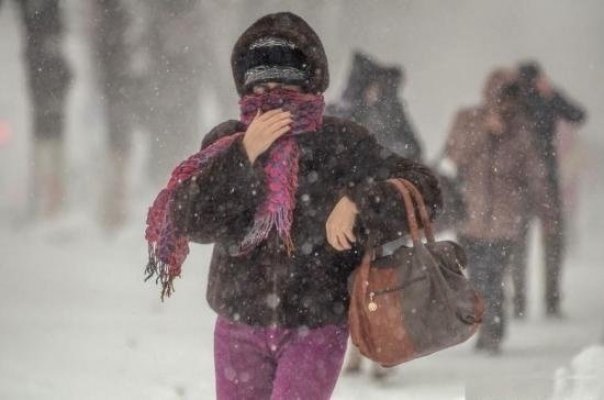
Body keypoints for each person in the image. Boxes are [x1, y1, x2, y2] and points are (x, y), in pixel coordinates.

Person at [144, 12, 441, 399]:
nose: (269, 98)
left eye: (282, 87)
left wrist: (359, 203)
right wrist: (244, 155)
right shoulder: (227, 141)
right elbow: (192, 219)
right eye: (260, 87)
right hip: (238, 326)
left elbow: (427, 190)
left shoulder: (342, 142)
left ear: (307, 86)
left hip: (316, 326)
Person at [443, 69, 553, 354]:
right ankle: (488, 326)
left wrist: (546, 212)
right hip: (470, 216)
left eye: (510, 97)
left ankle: (491, 330)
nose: (505, 104)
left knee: (492, 276)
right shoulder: (467, 119)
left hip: (506, 219)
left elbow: (535, 173)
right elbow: (453, 156)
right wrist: (484, 131)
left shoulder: (522, 129)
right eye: (501, 96)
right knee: (478, 277)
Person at [510, 62, 587, 318]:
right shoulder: (540, 99)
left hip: (526, 183)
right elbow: (578, 115)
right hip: (537, 181)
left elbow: (578, 116)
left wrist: (551, 95)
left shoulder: (525, 99)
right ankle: (546, 301)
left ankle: (524, 302)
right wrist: (552, 94)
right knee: (547, 242)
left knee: (521, 245)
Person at [328, 51, 423, 161]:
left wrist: (385, 153)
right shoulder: (342, 110)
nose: (373, 93)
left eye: (379, 89)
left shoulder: (392, 114)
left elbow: (412, 148)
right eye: (372, 86)